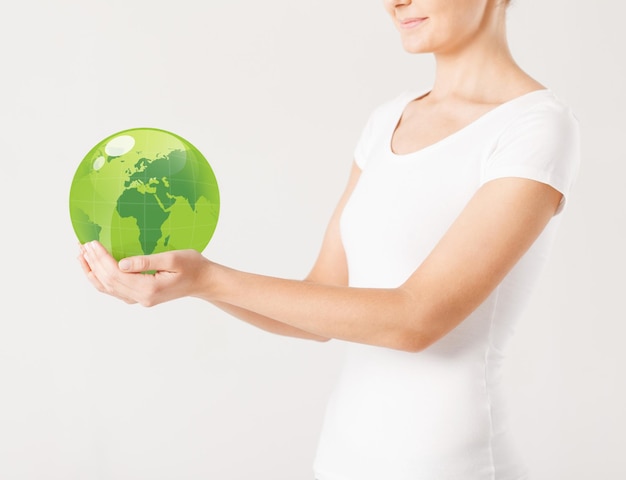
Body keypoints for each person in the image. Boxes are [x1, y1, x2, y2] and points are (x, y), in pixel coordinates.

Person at [78, 0, 580, 478]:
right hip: (341, 460)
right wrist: (191, 283)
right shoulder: (388, 118)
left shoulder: (534, 127)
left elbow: (417, 320)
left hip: (453, 467)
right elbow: (323, 302)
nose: (395, 2)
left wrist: (211, 279)